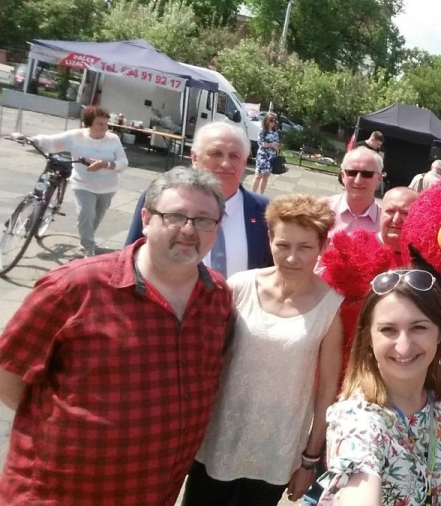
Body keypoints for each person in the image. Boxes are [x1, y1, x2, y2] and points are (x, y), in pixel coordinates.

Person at [0, 167, 233, 505]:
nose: (188, 229)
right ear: (146, 218)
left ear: (216, 228)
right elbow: (9, 376)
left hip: (154, 491)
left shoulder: (218, 296)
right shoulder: (74, 287)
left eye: (203, 220)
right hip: (62, 493)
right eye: (175, 216)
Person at [182, 194, 343, 506]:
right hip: (219, 439)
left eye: (305, 247)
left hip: (276, 450)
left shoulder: (330, 308)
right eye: (283, 245)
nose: (292, 258)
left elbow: (326, 392)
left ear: (323, 246)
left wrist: (310, 460)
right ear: (269, 239)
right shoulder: (239, 287)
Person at [318, 269, 441, 506]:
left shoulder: (438, 379)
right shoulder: (358, 423)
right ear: (369, 337)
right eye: (388, 330)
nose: (403, 347)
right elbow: (360, 480)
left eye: (418, 327)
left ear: (440, 333)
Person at [125, 121, 273, 277]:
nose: (225, 163)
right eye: (216, 153)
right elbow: (130, 260)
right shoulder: (161, 199)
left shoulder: (263, 209)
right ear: (194, 158)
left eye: (234, 156)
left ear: (244, 162)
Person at [30, 105, 128, 256]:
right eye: (100, 124)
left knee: (96, 217)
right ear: (89, 124)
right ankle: (88, 247)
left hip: (107, 187)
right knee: (86, 213)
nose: (104, 128)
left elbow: (123, 162)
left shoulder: (113, 139)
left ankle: (85, 239)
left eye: (106, 124)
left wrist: (106, 164)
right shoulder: (76, 137)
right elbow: (50, 141)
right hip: (83, 184)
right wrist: (30, 139)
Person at [327, 147, 384, 242]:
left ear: (379, 179)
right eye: (351, 173)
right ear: (342, 176)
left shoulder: (386, 223)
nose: (358, 181)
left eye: (367, 174)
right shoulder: (321, 211)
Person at [378, 186, 418, 265]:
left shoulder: (426, 257)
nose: (396, 220)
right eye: (390, 211)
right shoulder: (361, 248)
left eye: (405, 213)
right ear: (380, 212)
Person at [252, 112, 281, 195]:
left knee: (266, 176)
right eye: (271, 120)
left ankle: (261, 195)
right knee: (258, 175)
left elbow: (277, 145)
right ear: (266, 121)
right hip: (262, 156)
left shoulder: (275, 133)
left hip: (271, 157)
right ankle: (253, 194)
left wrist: (277, 146)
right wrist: (271, 144)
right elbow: (261, 143)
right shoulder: (262, 131)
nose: (273, 123)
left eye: (274, 121)